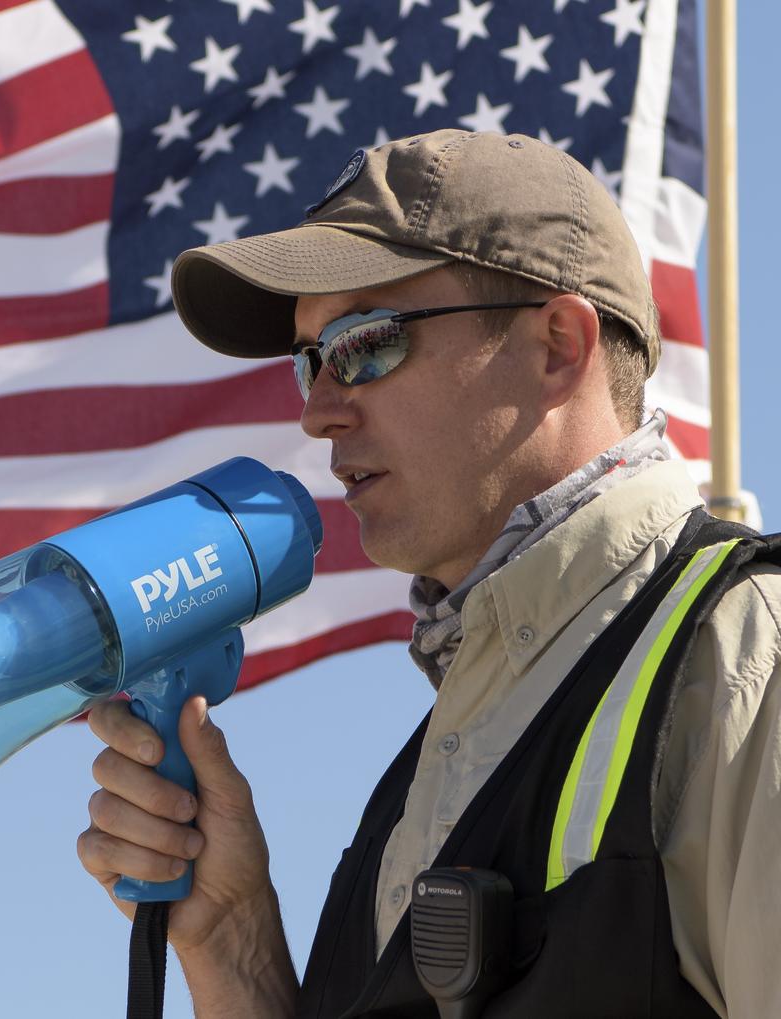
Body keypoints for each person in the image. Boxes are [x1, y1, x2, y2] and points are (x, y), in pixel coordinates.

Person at [75, 130, 781, 1017]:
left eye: (365, 341)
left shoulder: (749, 652)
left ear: (560, 345)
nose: (321, 411)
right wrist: (233, 942)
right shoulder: (424, 780)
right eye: (309, 362)